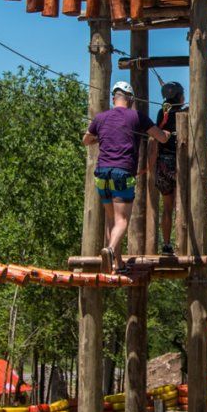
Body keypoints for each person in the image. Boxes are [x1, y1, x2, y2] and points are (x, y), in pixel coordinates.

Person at [83, 80, 169, 273]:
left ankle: (118, 264)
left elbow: (86, 140)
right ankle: (111, 250)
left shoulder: (100, 118)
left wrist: (101, 136)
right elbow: (161, 137)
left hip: (102, 174)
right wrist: (168, 134)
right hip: (122, 173)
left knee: (111, 219)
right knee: (122, 220)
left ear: (114, 98)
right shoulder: (137, 117)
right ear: (130, 99)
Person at [149, 81, 185, 255]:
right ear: (178, 96)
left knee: (168, 206)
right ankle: (182, 243)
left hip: (161, 164)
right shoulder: (181, 112)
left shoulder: (161, 112)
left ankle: (166, 244)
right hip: (176, 163)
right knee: (182, 205)